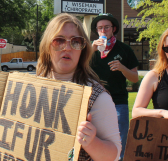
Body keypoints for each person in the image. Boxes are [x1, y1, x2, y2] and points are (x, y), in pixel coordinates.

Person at [37, 13, 121, 160]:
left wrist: (91, 142)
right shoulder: (29, 87)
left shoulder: (97, 97)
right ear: (47, 46)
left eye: (76, 41)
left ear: (83, 49)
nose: (67, 48)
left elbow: (114, 155)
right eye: (59, 41)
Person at [90, 13, 139, 161]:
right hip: (93, 104)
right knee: (93, 145)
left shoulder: (124, 49)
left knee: (119, 147)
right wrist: (91, 49)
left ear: (113, 29)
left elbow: (135, 78)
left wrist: (123, 68)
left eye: (106, 27)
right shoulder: (90, 50)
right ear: (97, 31)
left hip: (118, 103)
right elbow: (78, 69)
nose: (103, 31)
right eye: (100, 28)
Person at [133, 28, 168, 119]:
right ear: (163, 51)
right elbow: (136, 111)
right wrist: (162, 113)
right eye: (167, 48)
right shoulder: (154, 76)